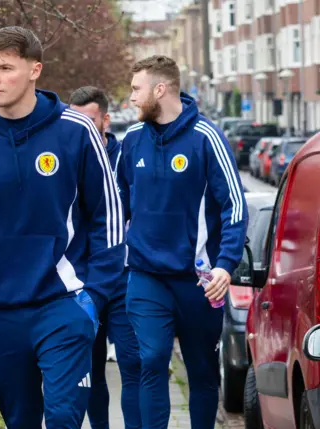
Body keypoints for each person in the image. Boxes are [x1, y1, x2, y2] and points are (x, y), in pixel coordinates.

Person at [0, 26, 125, 429]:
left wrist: (94, 297)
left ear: (35, 70)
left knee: (64, 417)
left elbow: (109, 220)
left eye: (6, 68)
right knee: (20, 420)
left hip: (64, 304)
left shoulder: (75, 131)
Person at [117, 55, 248, 429]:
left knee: (203, 373)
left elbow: (234, 204)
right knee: (152, 359)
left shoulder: (206, 137)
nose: (131, 98)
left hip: (198, 280)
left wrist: (225, 264)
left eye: (136, 89)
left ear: (160, 90)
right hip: (145, 276)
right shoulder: (133, 141)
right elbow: (114, 207)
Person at [70, 86, 141, 429]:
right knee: (90, 370)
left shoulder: (125, 157)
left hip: (124, 280)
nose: (82, 127)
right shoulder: (66, 157)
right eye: (76, 119)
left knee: (133, 364)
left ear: (106, 120)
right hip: (83, 282)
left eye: (90, 120)